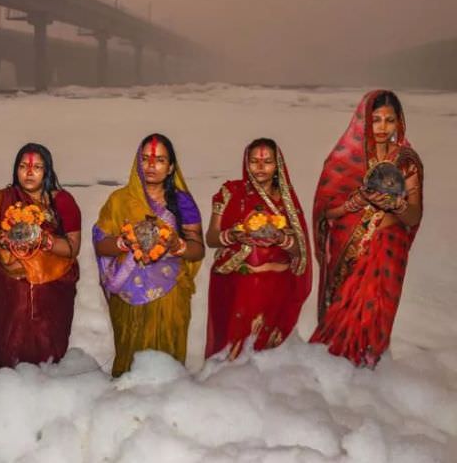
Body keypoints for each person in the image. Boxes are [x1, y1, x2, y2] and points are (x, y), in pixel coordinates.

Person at [310, 90, 423, 368]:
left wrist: (396, 207)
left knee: (378, 316)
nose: (383, 127)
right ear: (363, 122)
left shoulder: (407, 161)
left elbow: (414, 215)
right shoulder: (344, 161)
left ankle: (369, 376)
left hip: (389, 252)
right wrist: (354, 203)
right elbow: (327, 212)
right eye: (376, 120)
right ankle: (331, 374)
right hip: (351, 253)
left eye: (389, 120)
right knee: (342, 316)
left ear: (399, 123)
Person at [93, 134, 205, 376]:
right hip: (127, 294)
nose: (151, 166)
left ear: (171, 167)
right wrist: (125, 242)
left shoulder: (181, 202)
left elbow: (198, 250)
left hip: (170, 295)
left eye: (160, 160)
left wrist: (178, 246)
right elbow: (101, 245)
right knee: (129, 362)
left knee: (166, 362)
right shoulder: (119, 200)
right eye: (145, 159)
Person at [0, 143, 81, 378]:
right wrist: (5, 241)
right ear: (16, 170)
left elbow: (73, 248)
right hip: (8, 288)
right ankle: (4, 387)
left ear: (48, 171)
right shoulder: (1, 200)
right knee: (4, 343)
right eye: (23, 166)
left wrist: (44, 240)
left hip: (50, 289)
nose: (30, 172)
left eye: (37, 167)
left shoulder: (62, 202)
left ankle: (41, 388)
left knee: (43, 351)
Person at [204, 138, 311, 360]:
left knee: (266, 354)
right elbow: (211, 238)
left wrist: (281, 238)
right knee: (235, 349)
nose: (260, 168)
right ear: (246, 163)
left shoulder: (286, 202)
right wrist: (231, 235)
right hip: (239, 283)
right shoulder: (230, 192)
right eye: (254, 161)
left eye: (268, 162)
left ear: (277, 165)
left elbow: (300, 251)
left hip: (276, 286)